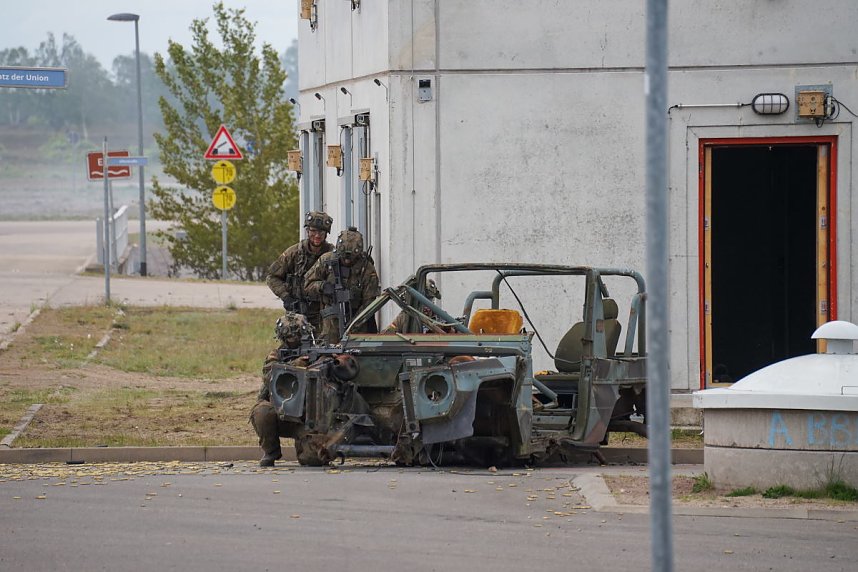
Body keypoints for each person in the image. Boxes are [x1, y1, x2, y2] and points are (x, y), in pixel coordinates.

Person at [250, 312, 313, 467]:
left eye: (297, 336)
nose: (294, 340)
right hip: (281, 413)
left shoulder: (317, 352)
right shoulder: (276, 355)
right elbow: (270, 374)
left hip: (307, 419)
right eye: (290, 337)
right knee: (262, 412)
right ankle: (271, 451)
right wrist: (295, 365)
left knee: (312, 460)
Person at [303, 226, 380, 343]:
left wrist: (353, 324)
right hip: (329, 325)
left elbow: (369, 303)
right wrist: (322, 286)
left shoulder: (367, 270)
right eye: (343, 257)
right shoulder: (326, 261)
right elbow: (307, 285)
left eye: (351, 258)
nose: (347, 261)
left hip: (357, 326)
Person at [266, 211, 334, 333]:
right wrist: (286, 297)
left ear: (326, 234)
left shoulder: (332, 255)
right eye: (313, 231)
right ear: (308, 231)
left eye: (321, 232)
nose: (317, 236)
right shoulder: (293, 253)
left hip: (324, 312)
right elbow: (272, 277)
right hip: (298, 311)